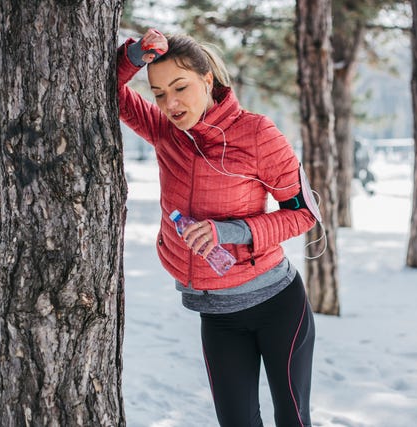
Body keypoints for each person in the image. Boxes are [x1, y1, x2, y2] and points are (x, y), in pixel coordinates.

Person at [117, 28, 319, 427]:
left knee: (292, 420)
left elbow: (303, 213)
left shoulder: (257, 133)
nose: (170, 103)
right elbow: (112, 90)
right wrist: (135, 55)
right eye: (159, 94)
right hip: (217, 315)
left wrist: (232, 231)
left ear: (207, 79)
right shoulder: (165, 133)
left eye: (180, 87)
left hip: (277, 305)